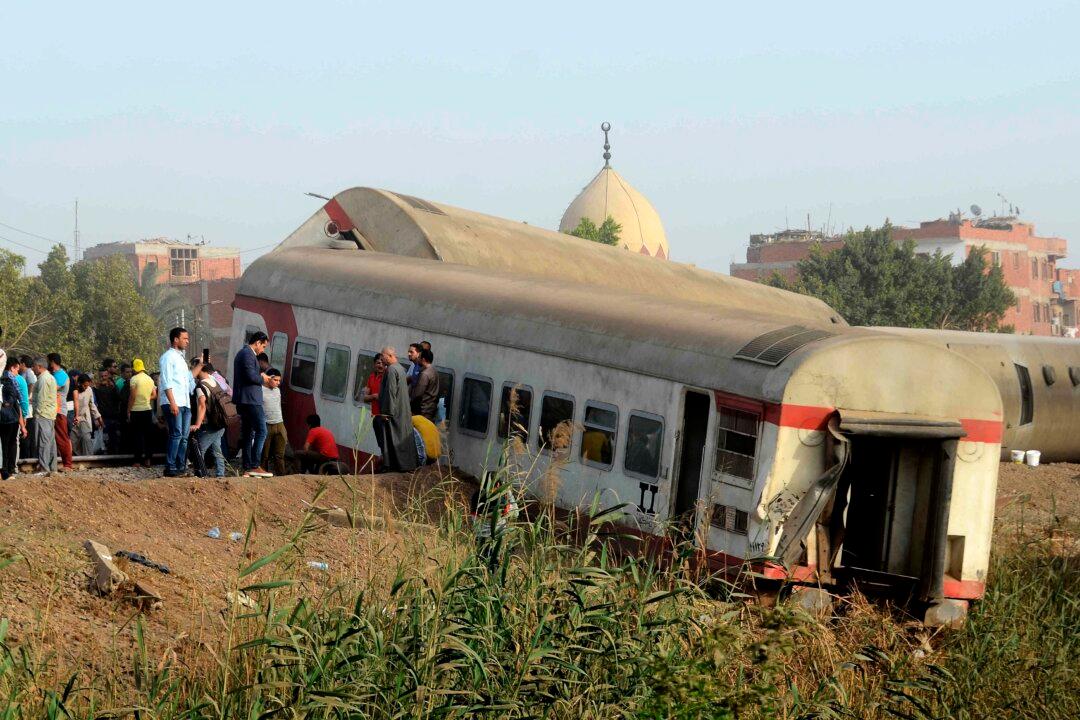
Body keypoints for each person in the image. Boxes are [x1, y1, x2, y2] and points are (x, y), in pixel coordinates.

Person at [233, 331, 272, 478]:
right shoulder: (247, 354)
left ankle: (248, 467)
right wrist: (263, 379)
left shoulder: (244, 354)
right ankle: (255, 465)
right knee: (262, 431)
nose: (263, 350)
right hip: (250, 400)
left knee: (248, 434)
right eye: (263, 346)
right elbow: (250, 376)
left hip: (245, 399)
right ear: (257, 342)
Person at [374, 346, 418, 472]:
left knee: (391, 437)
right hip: (401, 411)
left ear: (389, 356)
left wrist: (386, 412)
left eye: (383, 356)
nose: (381, 359)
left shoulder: (392, 370)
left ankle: (391, 465)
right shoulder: (400, 368)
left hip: (393, 413)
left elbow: (390, 392)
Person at [159, 326, 195, 477]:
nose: (187, 341)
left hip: (185, 402)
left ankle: (181, 466)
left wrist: (200, 365)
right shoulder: (168, 357)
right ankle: (170, 466)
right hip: (174, 402)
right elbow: (166, 381)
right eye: (184, 338)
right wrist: (172, 402)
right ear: (176, 339)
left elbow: (188, 380)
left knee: (184, 437)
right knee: (176, 434)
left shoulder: (181, 359)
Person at [191, 361, 227, 478]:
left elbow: (202, 405)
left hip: (212, 424)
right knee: (217, 449)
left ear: (200, 369)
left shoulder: (201, 386)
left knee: (200, 449)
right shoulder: (214, 380)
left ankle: (200, 474)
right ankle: (220, 474)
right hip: (222, 421)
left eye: (194, 368)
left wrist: (197, 424)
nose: (193, 371)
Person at [127, 358, 156, 468]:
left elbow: (132, 396)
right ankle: (148, 460)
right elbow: (154, 395)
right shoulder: (149, 379)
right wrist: (146, 398)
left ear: (134, 368)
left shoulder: (134, 379)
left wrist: (128, 410)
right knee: (148, 436)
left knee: (137, 436)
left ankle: (137, 461)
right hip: (147, 410)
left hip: (136, 411)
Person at [30, 358, 57, 475]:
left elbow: (42, 399)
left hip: (43, 415)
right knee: (49, 442)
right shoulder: (48, 377)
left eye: (34, 366)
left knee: (43, 442)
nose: (32, 368)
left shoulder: (44, 379)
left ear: (39, 366)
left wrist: (37, 414)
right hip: (48, 414)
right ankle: (52, 468)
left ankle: (44, 468)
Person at [1, 358, 27, 480]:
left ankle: (6, 470)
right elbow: (19, 401)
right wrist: (22, 422)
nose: (18, 372)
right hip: (11, 418)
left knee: (5, 445)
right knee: (10, 444)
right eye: (17, 369)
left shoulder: (4, 378)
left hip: (6, 417)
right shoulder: (13, 380)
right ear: (12, 368)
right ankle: (9, 470)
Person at [47, 353, 74, 472]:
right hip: (52, 409)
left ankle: (68, 464)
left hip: (59, 410)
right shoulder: (54, 374)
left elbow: (51, 389)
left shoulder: (61, 375)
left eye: (48, 361)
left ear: (52, 362)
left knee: (62, 436)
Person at [261, 368, 287, 477]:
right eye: (275, 380)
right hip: (266, 424)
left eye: (279, 380)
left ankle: (281, 476)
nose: (278, 383)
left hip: (279, 424)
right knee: (264, 455)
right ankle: (262, 475)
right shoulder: (260, 390)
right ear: (268, 378)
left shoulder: (277, 390)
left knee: (279, 455)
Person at [72, 374, 102, 456]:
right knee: (74, 441)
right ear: (79, 383)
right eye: (84, 385)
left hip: (84, 417)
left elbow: (92, 405)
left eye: (87, 385)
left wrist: (98, 417)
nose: (86, 387)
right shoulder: (74, 390)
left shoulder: (89, 390)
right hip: (73, 418)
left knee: (86, 438)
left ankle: (88, 457)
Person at [95, 368, 123, 453]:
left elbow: (119, 399)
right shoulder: (96, 388)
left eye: (105, 376)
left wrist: (114, 388)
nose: (104, 378)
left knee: (113, 438)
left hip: (113, 416)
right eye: (102, 376)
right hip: (102, 417)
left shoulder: (113, 387)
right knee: (104, 438)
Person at [409, 348, 439, 421]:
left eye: (419, 357)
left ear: (423, 359)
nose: (418, 359)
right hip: (430, 409)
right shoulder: (434, 370)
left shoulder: (425, 374)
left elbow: (418, 394)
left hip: (423, 411)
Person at [18, 355, 35, 460]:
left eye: (19, 363)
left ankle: (27, 457)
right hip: (26, 409)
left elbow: (32, 383)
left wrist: (27, 396)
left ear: (23, 364)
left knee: (27, 435)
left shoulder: (28, 372)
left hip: (28, 410)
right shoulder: (24, 373)